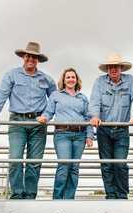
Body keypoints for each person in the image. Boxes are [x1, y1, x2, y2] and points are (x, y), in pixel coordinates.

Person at [0, 42, 56, 199]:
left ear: (38, 59)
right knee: (15, 159)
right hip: (17, 121)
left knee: (34, 162)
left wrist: (47, 116)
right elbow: (2, 95)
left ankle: (30, 196)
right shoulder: (11, 75)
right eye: (28, 56)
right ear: (23, 57)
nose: (30, 59)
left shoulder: (47, 79)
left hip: (38, 123)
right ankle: (17, 195)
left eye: (34, 57)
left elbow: (55, 101)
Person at [89, 53, 133, 199]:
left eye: (116, 66)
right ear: (107, 69)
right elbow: (94, 101)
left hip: (122, 129)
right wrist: (94, 116)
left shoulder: (130, 81)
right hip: (103, 129)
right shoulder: (99, 82)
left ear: (121, 68)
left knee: (120, 163)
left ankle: (122, 195)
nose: (113, 69)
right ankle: (110, 195)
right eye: (110, 66)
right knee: (106, 165)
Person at [37, 68, 94, 199]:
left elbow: (88, 118)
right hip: (62, 134)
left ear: (76, 80)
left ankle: (69, 200)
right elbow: (49, 112)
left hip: (80, 135)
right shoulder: (56, 95)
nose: (70, 79)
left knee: (74, 168)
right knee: (64, 165)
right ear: (63, 80)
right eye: (68, 77)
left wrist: (89, 136)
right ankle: (57, 199)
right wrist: (44, 118)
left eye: (73, 77)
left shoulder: (83, 97)